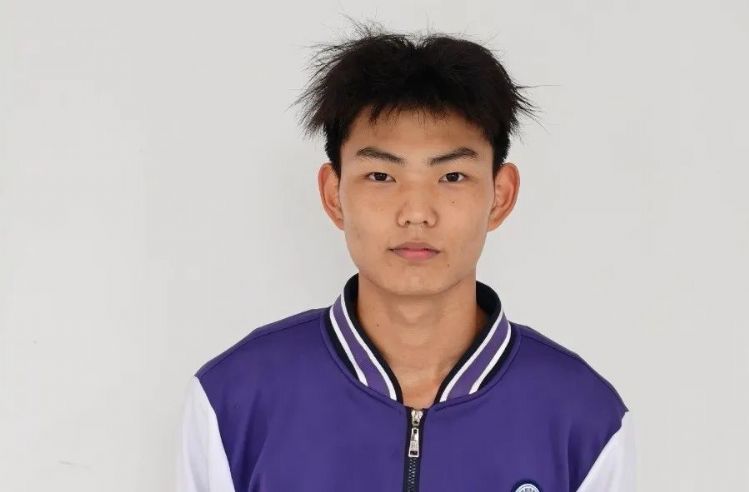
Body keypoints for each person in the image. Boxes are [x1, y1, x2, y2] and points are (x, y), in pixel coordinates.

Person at [175, 19, 636, 492]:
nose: (416, 213)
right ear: (333, 195)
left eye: (452, 176)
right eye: (381, 176)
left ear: (500, 196)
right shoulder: (234, 399)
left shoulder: (584, 419)